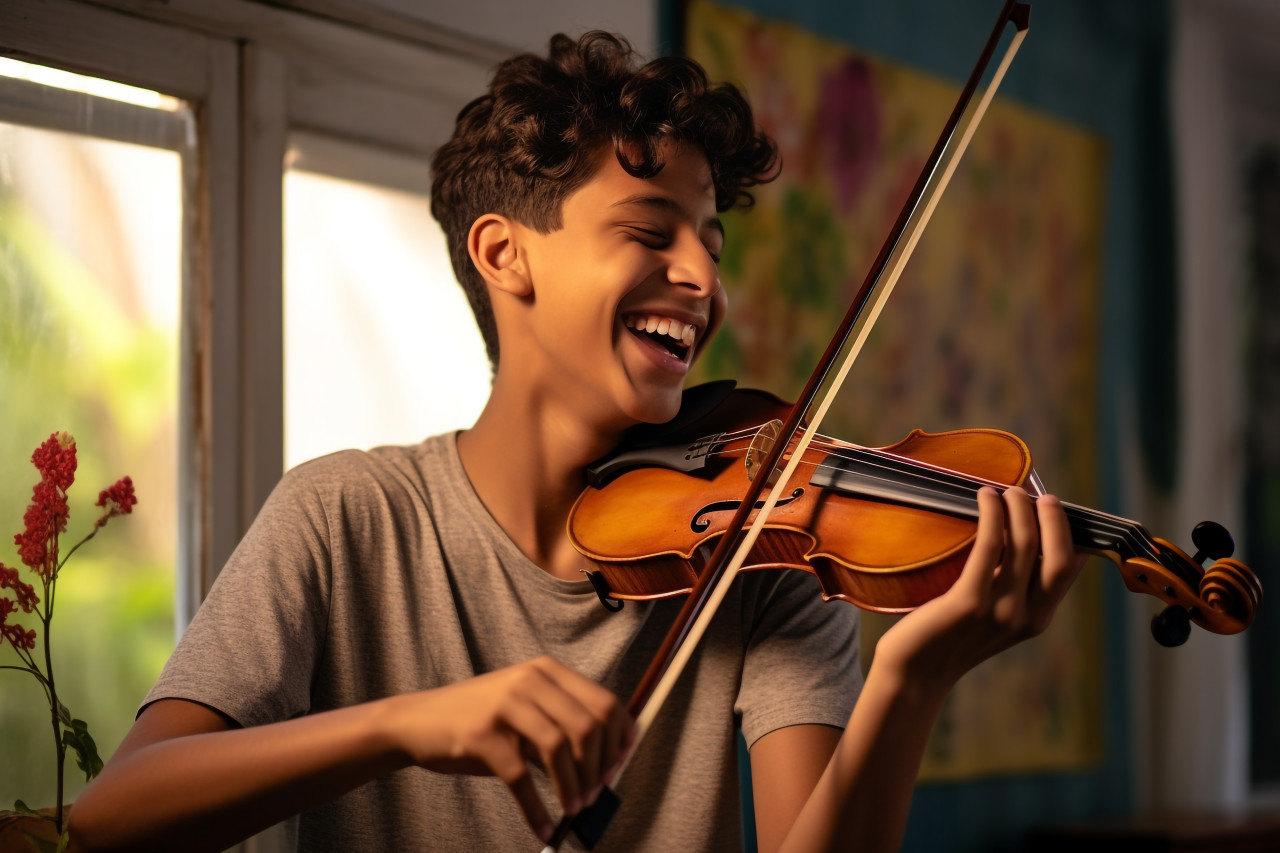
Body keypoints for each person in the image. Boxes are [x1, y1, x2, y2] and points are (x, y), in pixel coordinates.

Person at [68, 31, 1080, 853]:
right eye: (651, 232)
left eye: (709, 242)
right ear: (505, 254)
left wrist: (910, 680)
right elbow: (112, 820)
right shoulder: (346, 517)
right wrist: (407, 722)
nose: (701, 277)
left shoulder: (759, 554)